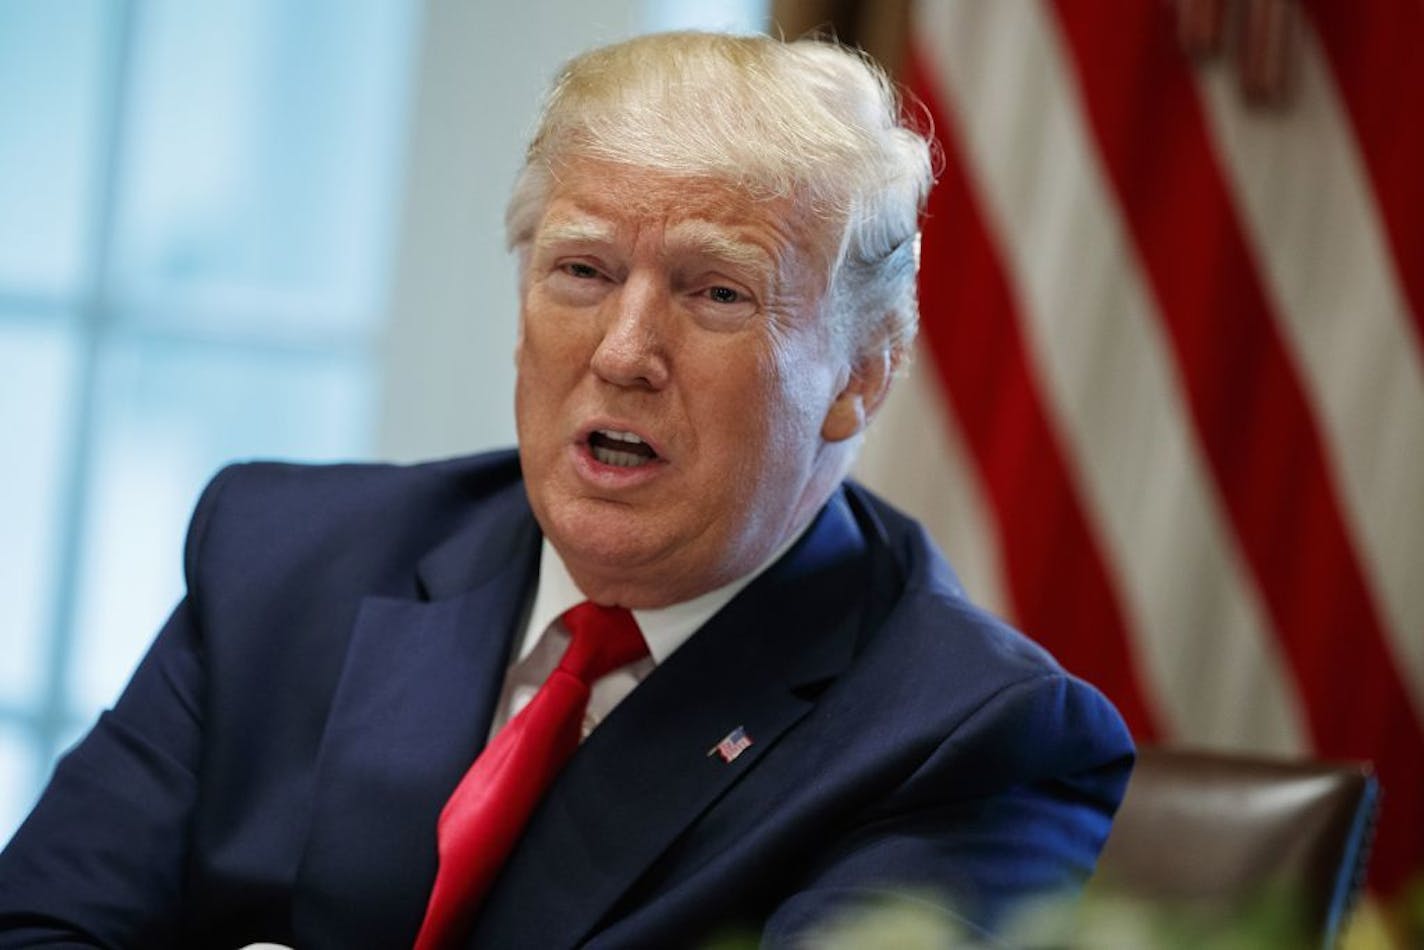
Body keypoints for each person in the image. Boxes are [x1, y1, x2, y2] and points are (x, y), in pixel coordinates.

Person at [0, 31, 1133, 949]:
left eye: (716, 293)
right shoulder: (280, 555)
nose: (623, 349)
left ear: (860, 374)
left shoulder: (972, 740)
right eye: (582, 271)